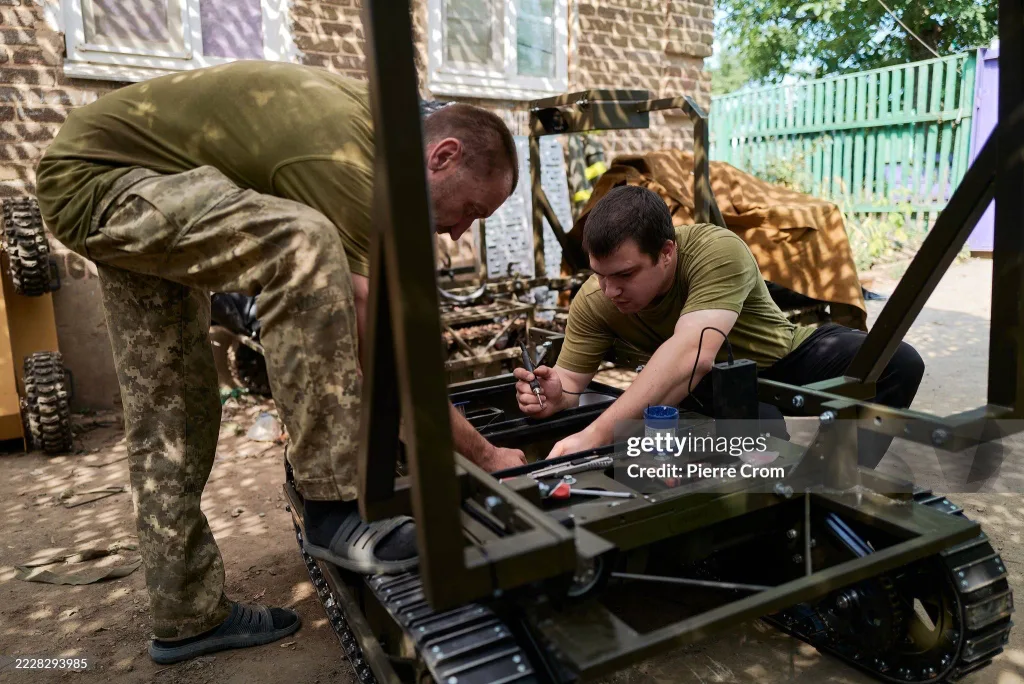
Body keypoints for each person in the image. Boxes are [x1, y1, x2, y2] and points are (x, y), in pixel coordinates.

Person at [35, 60, 525, 664]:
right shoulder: (349, 163)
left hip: (131, 184)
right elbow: (377, 349)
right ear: (442, 156)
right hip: (103, 181)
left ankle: (185, 614)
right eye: (472, 210)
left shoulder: (381, 140)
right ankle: (333, 507)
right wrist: (484, 456)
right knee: (304, 244)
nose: (458, 234)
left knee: (173, 406)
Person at [513, 185, 924, 464]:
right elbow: (570, 382)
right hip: (708, 385)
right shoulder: (595, 299)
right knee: (759, 439)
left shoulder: (716, 250)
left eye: (625, 275)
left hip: (782, 357)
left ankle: (838, 474)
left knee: (896, 362)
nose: (610, 290)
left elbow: (692, 352)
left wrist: (597, 435)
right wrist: (555, 395)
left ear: (667, 252)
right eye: (600, 275)